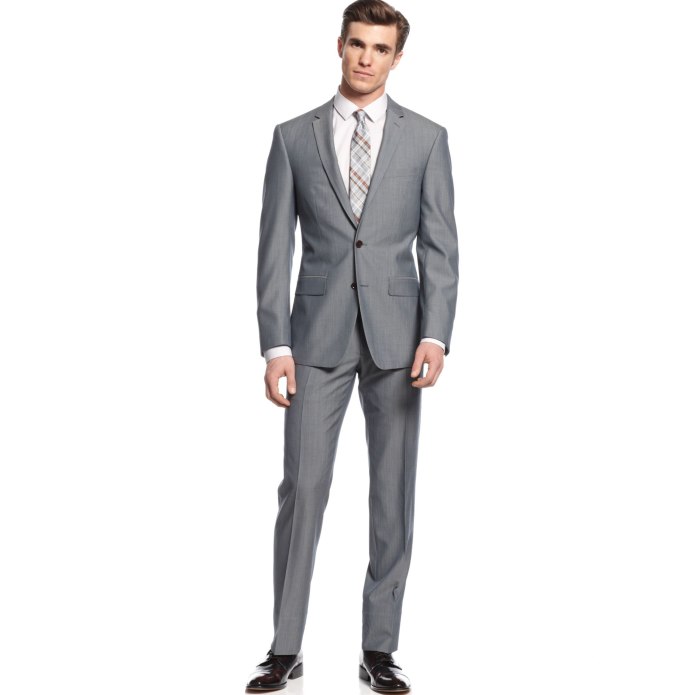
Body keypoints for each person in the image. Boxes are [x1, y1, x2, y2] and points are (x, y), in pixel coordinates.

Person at [247, 0, 459, 691]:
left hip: (400, 342)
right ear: (338, 45)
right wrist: (274, 345)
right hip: (315, 339)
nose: (367, 58)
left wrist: (435, 333)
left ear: (398, 57)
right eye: (357, 44)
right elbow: (273, 249)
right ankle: (284, 648)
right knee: (302, 489)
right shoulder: (292, 137)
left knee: (392, 494)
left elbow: (440, 246)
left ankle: (379, 649)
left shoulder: (426, 138)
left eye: (381, 48)